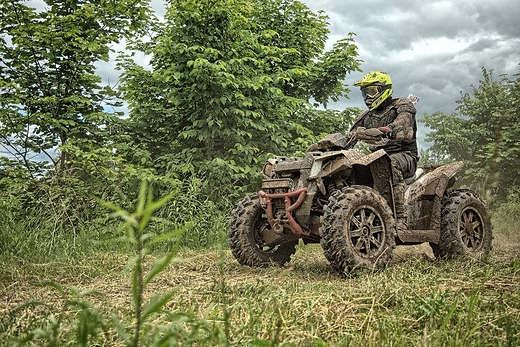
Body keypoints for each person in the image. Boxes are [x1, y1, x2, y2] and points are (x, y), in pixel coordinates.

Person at [350, 71, 419, 232]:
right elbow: (350, 137)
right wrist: (329, 144)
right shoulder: (366, 116)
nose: (367, 97)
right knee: (351, 168)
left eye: (371, 92)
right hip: (376, 158)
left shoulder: (402, 105)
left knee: (389, 163)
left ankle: (401, 218)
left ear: (383, 89)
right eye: (364, 93)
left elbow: (405, 126)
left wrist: (387, 130)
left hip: (405, 156)